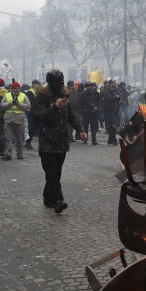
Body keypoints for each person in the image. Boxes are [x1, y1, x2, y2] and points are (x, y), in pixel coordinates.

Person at [32, 70, 86, 213]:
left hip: (61, 141)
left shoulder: (64, 95)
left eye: (60, 82)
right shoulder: (41, 97)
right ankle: (57, 201)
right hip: (47, 142)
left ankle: (47, 197)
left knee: (56, 174)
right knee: (52, 174)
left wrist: (80, 130)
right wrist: (54, 107)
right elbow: (38, 115)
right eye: (56, 83)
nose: (58, 85)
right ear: (50, 83)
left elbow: (71, 115)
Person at [2, 81, 30, 159]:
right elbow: (1, 105)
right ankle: (8, 154)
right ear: (12, 89)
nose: (17, 89)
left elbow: (28, 106)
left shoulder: (23, 96)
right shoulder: (7, 96)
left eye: (18, 88)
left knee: (20, 139)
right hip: (8, 121)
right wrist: (9, 104)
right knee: (8, 139)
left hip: (19, 121)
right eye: (15, 88)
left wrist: (19, 104)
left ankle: (20, 154)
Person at [100, 80, 121, 145]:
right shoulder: (106, 90)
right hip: (109, 110)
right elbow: (109, 98)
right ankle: (113, 140)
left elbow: (118, 95)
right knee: (113, 125)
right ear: (111, 84)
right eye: (114, 83)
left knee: (113, 125)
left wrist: (118, 97)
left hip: (114, 109)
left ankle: (110, 140)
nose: (116, 84)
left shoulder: (114, 89)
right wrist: (116, 96)